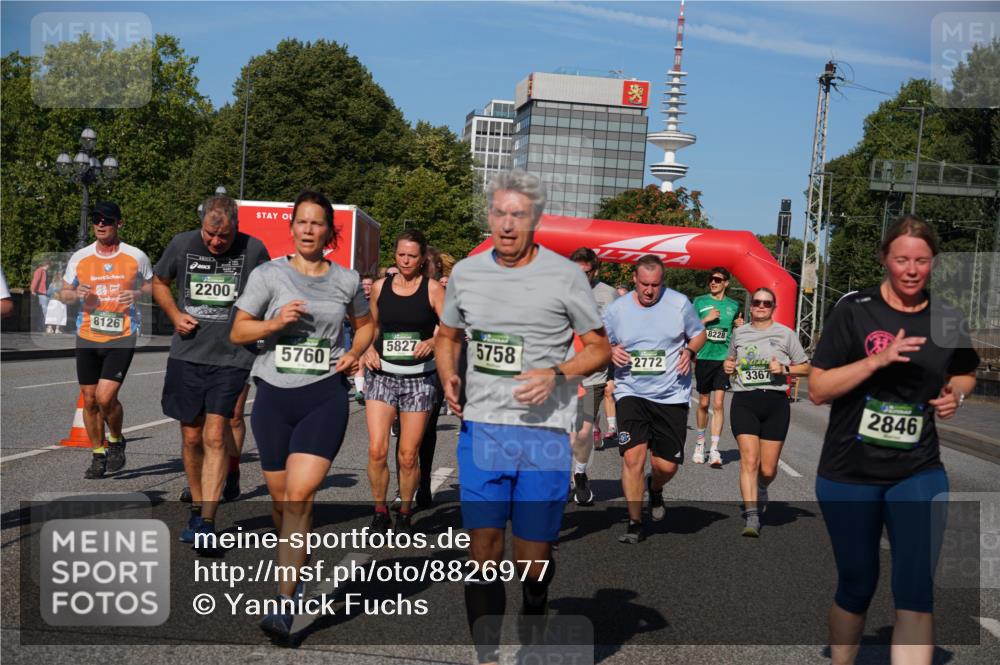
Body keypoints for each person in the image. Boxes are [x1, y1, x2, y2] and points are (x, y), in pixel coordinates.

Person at [436, 170, 610, 665]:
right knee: (483, 551)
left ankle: (535, 599)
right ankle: (488, 656)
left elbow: (599, 348)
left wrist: (557, 373)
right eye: (499, 213)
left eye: (518, 215)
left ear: (535, 219)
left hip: (543, 436)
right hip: (483, 429)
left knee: (533, 561)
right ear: (489, 217)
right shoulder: (467, 273)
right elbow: (447, 335)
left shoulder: (566, 276)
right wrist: (449, 374)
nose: (508, 224)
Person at [809, 216, 978, 665]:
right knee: (857, 584)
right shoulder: (854, 310)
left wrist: (956, 393)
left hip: (918, 471)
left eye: (921, 260)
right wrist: (875, 361)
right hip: (849, 472)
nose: (911, 269)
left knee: (916, 592)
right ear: (884, 258)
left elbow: (965, 371)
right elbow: (818, 389)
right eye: (902, 259)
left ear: (933, 262)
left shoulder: (946, 317)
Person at [230, 190, 374, 641]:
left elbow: (366, 324)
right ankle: (298, 563)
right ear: (292, 227)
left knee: (299, 496)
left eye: (317, 223)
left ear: (329, 231)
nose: (309, 229)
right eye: (303, 222)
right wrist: (275, 323)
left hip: (323, 396)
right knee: (282, 504)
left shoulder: (346, 280)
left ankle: (284, 602)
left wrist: (354, 351)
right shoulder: (268, 275)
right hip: (274, 397)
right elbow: (238, 330)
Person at [153, 194, 270, 548]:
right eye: (210, 234)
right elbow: (159, 281)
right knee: (192, 436)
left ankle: (207, 519)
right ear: (201, 224)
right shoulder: (182, 244)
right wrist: (175, 315)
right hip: (188, 353)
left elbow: (270, 293)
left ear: (237, 226)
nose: (216, 242)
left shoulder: (254, 250)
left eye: (224, 236)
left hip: (233, 355)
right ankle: (197, 504)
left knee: (217, 433)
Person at [603, 254, 706, 544]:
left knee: (666, 466)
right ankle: (634, 522)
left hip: (671, 395)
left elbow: (699, 334)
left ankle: (656, 487)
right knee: (632, 458)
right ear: (634, 279)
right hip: (631, 391)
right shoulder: (617, 310)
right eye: (644, 284)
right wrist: (610, 350)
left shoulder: (679, 304)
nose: (649, 291)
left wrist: (690, 351)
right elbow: (597, 340)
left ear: (663, 282)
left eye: (655, 285)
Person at [59, 202, 153, 478]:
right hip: (88, 335)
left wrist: (137, 294)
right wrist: (75, 294)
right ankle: (98, 454)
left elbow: (153, 285)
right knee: (90, 400)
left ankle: (116, 439)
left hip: (122, 335)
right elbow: (64, 293)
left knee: (105, 397)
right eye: (97, 219)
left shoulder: (136, 256)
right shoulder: (81, 257)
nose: (101, 224)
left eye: (107, 220)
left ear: (119, 224)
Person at [362, 229, 444, 534]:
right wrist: (367, 348)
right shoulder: (380, 287)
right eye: (401, 254)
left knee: (408, 455)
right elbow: (371, 325)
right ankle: (380, 511)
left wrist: (433, 342)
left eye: (412, 256)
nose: (405, 260)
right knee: (377, 450)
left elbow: (449, 326)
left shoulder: (433, 289)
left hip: (419, 379)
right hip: (381, 375)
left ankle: (406, 512)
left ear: (422, 259)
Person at [723, 287, 809, 537]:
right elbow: (730, 361)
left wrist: (784, 369)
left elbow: (806, 368)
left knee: (768, 469)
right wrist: (728, 366)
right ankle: (752, 517)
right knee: (749, 460)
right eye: (757, 302)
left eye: (767, 303)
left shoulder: (786, 334)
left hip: (775, 403)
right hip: (745, 401)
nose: (761, 306)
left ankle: (762, 487)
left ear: (773, 307)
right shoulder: (739, 333)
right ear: (751, 306)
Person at [568, 247, 617, 505]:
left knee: (584, 431)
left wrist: (613, 373)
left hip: (594, 375)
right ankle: (566, 479)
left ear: (595, 271)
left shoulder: (608, 295)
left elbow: (618, 332)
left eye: (585, 273)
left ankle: (580, 473)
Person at [692, 267, 743, 467]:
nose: (713, 282)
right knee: (704, 403)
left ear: (726, 283)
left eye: (718, 279)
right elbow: (688, 326)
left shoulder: (733, 305)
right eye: (711, 279)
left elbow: (735, 330)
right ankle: (699, 443)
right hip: (704, 356)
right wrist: (706, 319)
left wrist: (739, 326)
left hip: (723, 359)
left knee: (719, 404)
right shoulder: (699, 301)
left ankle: (714, 449)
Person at [352, 274, 375, 404]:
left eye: (369, 284)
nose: (366, 287)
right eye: (364, 284)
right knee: (360, 361)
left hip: (377, 335)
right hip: (361, 335)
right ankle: (360, 391)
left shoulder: (378, 298)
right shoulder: (358, 299)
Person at [31, 260, 50, 332]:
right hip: (40, 293)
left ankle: (41, 327)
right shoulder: (39, 271)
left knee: (42, 310)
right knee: (43, 310)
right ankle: (42, 327)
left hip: (42, 293)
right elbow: (35, 280)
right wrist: (33, 290)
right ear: (46, 265)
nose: (49, 267)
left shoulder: (44, 271)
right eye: (49, 265)